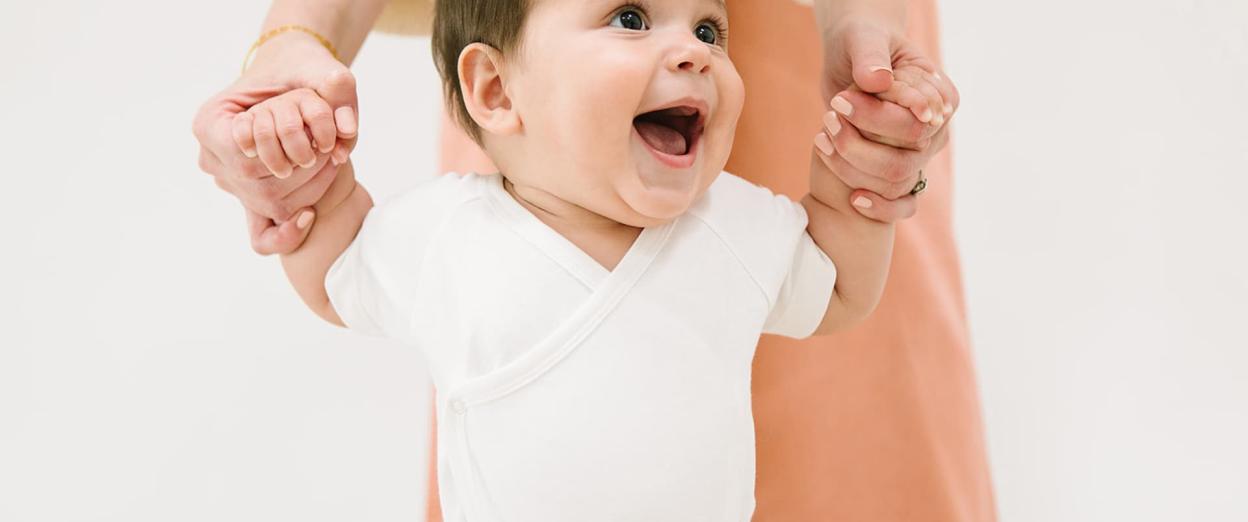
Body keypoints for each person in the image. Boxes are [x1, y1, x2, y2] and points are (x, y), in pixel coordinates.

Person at [192, 0, 996, 520]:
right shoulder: (448, 235)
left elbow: (840, 287)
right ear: (493, 91)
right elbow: (338, 267)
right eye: (632, 18)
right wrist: (300, 157)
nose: (694, 53)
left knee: (860, 450)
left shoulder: (734, 225)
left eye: (709, 30)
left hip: (809, 25)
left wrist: (853, 182)